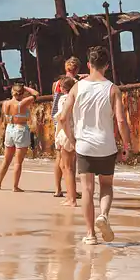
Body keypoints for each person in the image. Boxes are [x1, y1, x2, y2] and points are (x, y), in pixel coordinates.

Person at [59, 46, 132, 245]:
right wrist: (126, 144)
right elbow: (121, 121)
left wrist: (72, 140)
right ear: (107, 66)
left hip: (84, 146)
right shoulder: (113, 89)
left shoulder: (76, 87)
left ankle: (90, 234)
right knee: (106, 186)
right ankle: (104, 216)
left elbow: (63, 117)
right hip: (106, 146)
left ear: (89, 65)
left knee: (88, 189)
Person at [0, 82, 39, 191]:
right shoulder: (22, 103)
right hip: (20, 129)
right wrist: (27, 88)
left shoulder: (5, 103)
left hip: (9, 129)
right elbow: (36, 94)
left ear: (12, 92)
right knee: (18, 162)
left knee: (6, 159)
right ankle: (15, 186)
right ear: (22, 93)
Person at [51, 57, 84, 198]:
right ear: (77, 69)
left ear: (66, 68)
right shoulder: (77, 84)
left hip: (57, 119)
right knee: (71, 160)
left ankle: (57, 189)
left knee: (59, 156)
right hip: (70, 120)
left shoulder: (56, 83)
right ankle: (72, 190)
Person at [53, 75, 78, 206]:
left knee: (67, 167)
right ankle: (70, 195)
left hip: (66, 132)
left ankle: (71, 199)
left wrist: (67, 137)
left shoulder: (64, 99)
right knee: (67, 165)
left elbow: (63, 118)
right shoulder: (77, 98)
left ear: (63, 88)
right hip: (75, 130)